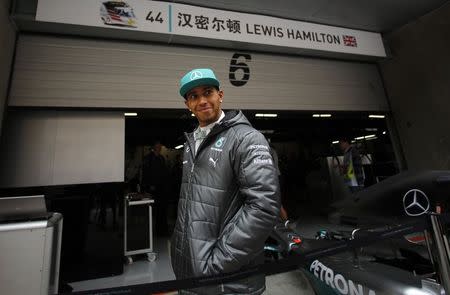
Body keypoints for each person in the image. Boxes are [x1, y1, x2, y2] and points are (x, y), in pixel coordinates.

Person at [171, 68, 280, 295]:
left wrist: (217, 263)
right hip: (191, 272)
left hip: (228, 279)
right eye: (194, 96)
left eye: (207, 92)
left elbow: (264, 207)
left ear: (220, 95)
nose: (202, 101)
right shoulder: (190, 144)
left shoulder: (247, 139)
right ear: (187, 104)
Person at [142, 141, 169, 235]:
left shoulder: (161, 158)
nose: (159, 148)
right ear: (154, 147)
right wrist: (148, 187)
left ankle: (162, 229)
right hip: (153, 189)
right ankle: (154, 231)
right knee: (154, 211)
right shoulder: (148, 158)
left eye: (160, 146)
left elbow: (164, 173)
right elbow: (145, 173)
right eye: (157, 146)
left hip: (162, 188)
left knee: (162, 209)